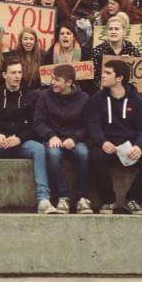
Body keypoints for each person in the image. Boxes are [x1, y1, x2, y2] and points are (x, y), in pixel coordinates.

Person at [0, 58, 57, 215]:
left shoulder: (32, 95)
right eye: (13, 73)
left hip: (23, 143)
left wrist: (20, 138)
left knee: (39, 149)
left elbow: (36, 125)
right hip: (0, 143)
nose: (17, 76)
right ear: (4, 75)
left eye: (20, 72)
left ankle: (44, 199)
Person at [87, 59, 142, 215]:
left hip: (129, 145)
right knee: (95, 157)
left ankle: (134, 199)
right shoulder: (97, 99)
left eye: (108, 73)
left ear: (119, 78)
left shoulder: (137, 101)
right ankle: (108, 201)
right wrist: (102, 142)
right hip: (107, 144)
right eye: (103, 72)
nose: (103, 76)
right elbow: (93, 125)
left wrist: (139, 146)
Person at [34, 63, 93, 214]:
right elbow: (39, 122)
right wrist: (51, 135)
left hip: (75, 140)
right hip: (53, 138)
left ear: (68, 83)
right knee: (53, 154)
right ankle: (63, 197)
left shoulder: (84, 98)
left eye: (57, 80)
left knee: (83, 154)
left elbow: (88, 125)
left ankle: (83, 198)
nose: (53, 82)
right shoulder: (45, 96)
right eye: (52, 78)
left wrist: (75, 138)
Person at [91, 14, 141, 81]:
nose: (113, 32)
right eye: (110, 29)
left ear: (124, 32)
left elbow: (138, 78)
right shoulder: (97, 51)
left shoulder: (132, 50)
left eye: (116, 29)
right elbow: (95, 78)